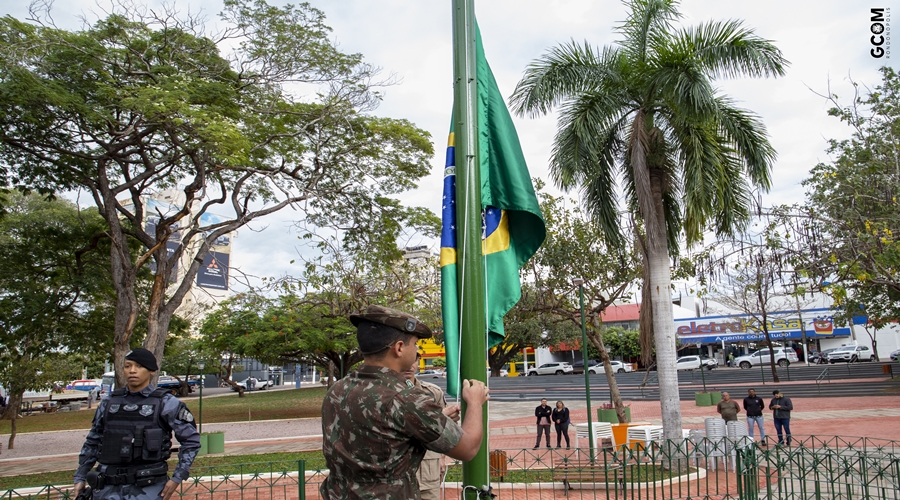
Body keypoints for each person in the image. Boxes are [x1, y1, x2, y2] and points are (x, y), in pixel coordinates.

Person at [320, 305, 490, 500]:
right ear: (399, 348)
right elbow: (468, 449)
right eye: (415, 344)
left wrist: (433, 419)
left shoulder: (337, 390)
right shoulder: (406, 398)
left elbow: (379, 433)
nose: (416, 349)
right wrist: (475, 402)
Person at [73, 348, 201, 500]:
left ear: (151, 371)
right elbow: (93, 440)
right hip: (107, 487)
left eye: (139, 366)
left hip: (147, 487)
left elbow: (191, 441)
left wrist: (177, 478)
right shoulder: (108, 403)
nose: (132, 371)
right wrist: (80, 476)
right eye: (128, 366)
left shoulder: (166, 403)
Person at [402, 353, 460, 500]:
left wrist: (442, 458)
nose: (409, 366)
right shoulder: (386, 392)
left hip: (427, 471)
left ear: (418, 361)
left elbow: (445, 432)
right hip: (397, 476)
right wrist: (436, 419)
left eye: (413, 360)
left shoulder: (432, 392)